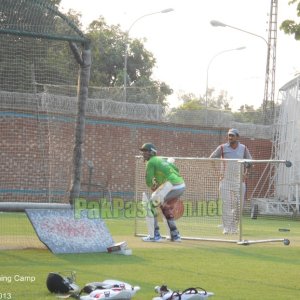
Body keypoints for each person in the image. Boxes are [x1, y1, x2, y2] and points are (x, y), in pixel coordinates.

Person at [139, 143, 186, 242]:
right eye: (143, 152)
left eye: (146, 152)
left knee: (150, 206)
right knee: (164, 207)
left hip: (171, 185)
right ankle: (175, 235)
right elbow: (176, 169)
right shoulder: (161, 160)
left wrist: (154, 188)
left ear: (152, 153)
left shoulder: (151, 162)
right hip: (180, 184)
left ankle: (155, 236)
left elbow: (148, 180)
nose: (144, 154)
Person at [209, 128, 252, 234]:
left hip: (239, 182)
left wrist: (246, 173)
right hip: (225, 181)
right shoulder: (222, 148)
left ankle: (234, 227)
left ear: (238, 137)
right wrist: (217, 173)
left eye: (232, 135)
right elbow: (211, 158)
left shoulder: (244, 148)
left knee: (238, 206)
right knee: (226, 205)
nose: (230, 137)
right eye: (229, 135)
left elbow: (250, 162)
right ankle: (226, 228)